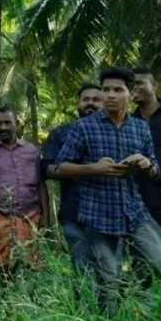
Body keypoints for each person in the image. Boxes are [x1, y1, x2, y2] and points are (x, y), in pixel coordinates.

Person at [54, 67, 161, 305]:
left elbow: (155, 169)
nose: (111, 95)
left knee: (159, 264)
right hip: (97, 215)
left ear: (130, 93)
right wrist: (93, 168)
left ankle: (131, 293)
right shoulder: (83, 127)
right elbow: (60, 167)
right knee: (107, 281)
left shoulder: (139, 127)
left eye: (118, 90)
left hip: (133, 211)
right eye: (106, 90)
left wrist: (145, 164)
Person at [0, 106, 49, 267]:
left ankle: (26, 293)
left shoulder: (32, 151)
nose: (3, 127)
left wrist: (46, 217)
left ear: (17, 124)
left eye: (7, 122)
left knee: (30, 265)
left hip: (30, 216)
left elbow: (40, 185)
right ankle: (1, 293)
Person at [42, 83, 103, 271]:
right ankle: (84, 302)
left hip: (107, 212)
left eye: (95, 100)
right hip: (72, 210)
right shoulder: (61, 133)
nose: (90, 104)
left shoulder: (114, 131)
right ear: (77, 103)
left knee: (108, 268)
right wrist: (75, 170)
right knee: (81, 267)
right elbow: (47, 168)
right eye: (86, 100)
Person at [133, 67, 161, 234]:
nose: (134, 87)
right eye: (131, 84)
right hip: (139, 201)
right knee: (143, 256)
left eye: (139, 83)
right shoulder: (128, 122)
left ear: (154, 85)